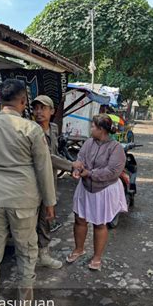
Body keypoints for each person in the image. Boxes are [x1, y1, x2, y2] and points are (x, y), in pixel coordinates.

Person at [0, 79, 56, 306]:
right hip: (24, 200)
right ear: (23, 101)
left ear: (0, 100)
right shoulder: (32, 129)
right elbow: (43, 168)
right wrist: (50, 202)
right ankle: (24, 304)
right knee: (27, 252)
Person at [66, 114, 127, 271]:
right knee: (80, 219)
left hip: (103, 189)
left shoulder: (116, 148)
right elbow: (81, 158)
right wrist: (77, 169)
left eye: (93, 126)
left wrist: (90, 174)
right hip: (85, 186)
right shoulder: (88, 142)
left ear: (101, 129)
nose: (91, 128)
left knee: (99, 223)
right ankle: (79, 249)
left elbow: (112, 171)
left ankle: (97, 257)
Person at [32, 95, 78, 269]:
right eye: (36, 108)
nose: (38, 112)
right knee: (31, 220)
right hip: (34, 181)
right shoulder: (31, 130)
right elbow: (46, 157)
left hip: (50, 179)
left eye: (43, 108)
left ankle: (43, 254)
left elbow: (55, 153)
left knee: (46, 218)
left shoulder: (53, 128)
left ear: (52, 111)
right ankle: (30, 255)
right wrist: (71, 165)